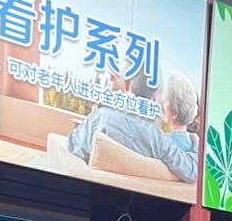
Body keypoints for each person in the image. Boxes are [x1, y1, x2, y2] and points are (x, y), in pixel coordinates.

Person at [67, 72, 199, 183]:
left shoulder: (102, 117)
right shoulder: (160, 141)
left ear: (127, 86)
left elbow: (72, 146)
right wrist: (196, 144)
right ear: (154, 98)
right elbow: (193, 172)